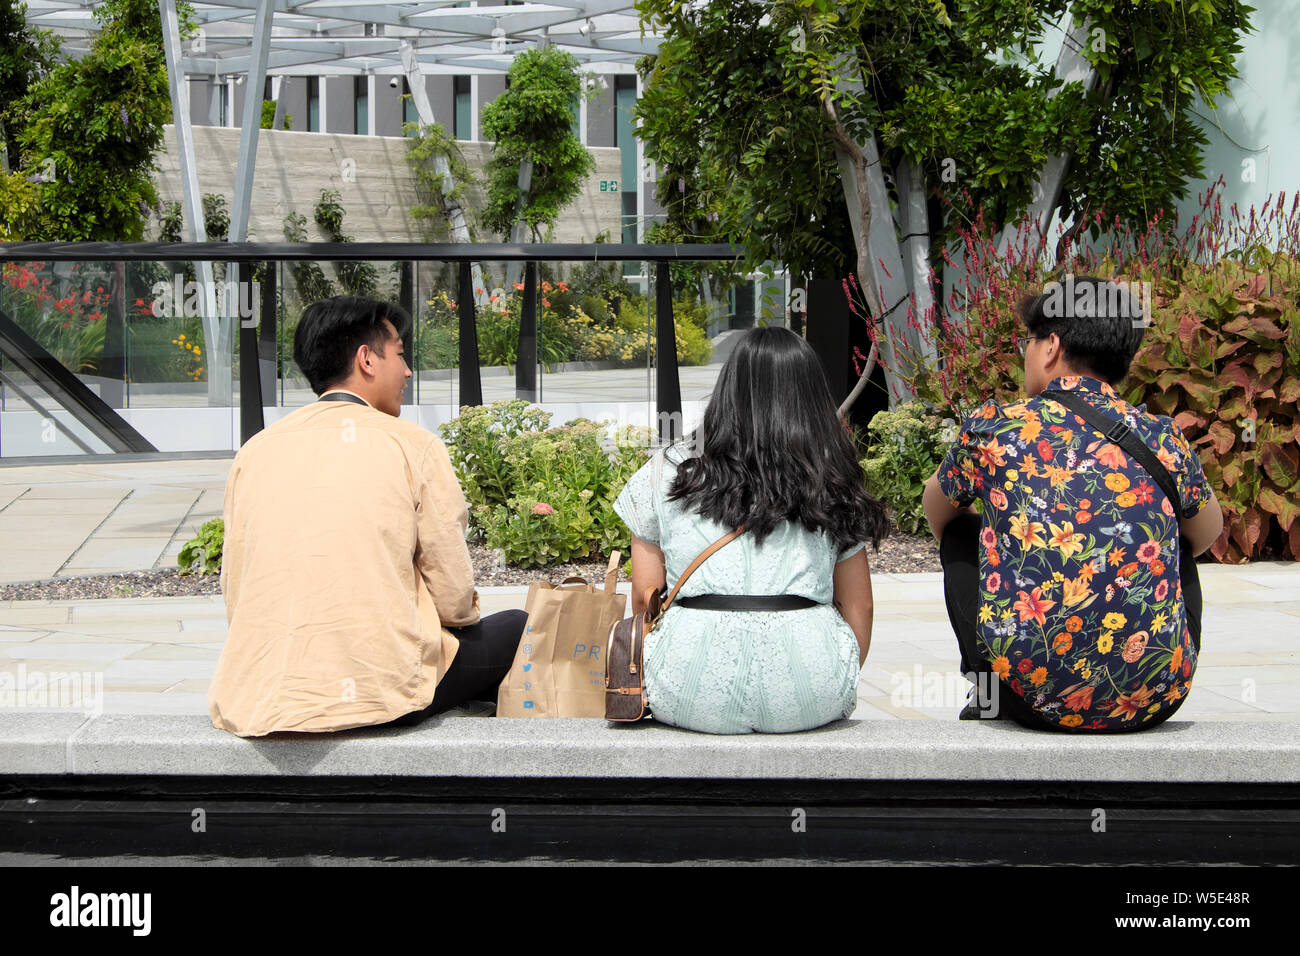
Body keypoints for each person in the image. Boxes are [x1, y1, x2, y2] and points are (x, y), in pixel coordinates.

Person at [209, 297, 526, 736]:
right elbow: (453, 599)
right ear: (367, 359)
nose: (408, 371)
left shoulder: (255, 450)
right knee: (518, 626)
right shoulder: (412, 445)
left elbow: (238, 588)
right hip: (381, 696)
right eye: (399, 354)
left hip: (259, 694)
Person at [922, 276, 1224, 732]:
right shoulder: (1161, 437)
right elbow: (1207, 534)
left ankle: (988, 690)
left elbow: (936, 512)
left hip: (1031, 698)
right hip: (1153, 700)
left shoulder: (994, 429)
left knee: (962, 532)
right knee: (1178, 538)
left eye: (1030, 340)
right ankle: (1151, 668)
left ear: (1051, 347)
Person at [613, 326, 888, 734]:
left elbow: (643, 597)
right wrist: (828, 676)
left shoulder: (668, 471)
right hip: (811, 688)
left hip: (689, 688)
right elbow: (858, 608)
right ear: (811, 398)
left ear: (728, 389)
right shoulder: (832, 476)